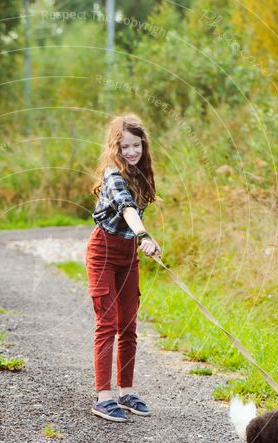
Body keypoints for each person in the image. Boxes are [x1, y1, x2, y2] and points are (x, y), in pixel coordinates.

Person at [85, 113, 162, 423]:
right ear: (114, 147)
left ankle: (125, 392)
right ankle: (103, 398)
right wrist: (144, 234)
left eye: (136, 145)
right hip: (103, 251)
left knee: (128, 325)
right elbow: (128, 208)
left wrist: (142, 243)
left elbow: (138, 209)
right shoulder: (113, 175)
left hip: (128, 254)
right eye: (125, 146)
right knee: (107, 323)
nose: (131, 152)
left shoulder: (141, 174)